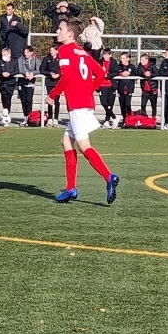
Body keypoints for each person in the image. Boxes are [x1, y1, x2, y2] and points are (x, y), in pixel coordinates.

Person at [45, 18, 118, 204]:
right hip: (84, 102)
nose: (57, 32)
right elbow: (101, 72)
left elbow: (67, 76)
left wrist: (53, 95)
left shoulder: (65, 50)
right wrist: (90, 89)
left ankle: (109, 177)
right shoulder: (82, 52)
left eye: (60, 29)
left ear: (70, 34)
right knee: (66, 141)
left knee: (84, 145)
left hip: (77, 104)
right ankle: (71, 188)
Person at [17, 45, 40, 125]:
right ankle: (25, 117)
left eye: (27, 52)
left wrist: (32, 73)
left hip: (31, 83)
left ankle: (30, 118)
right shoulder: (20, 59)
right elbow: (20, 69)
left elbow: (39, 70)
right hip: (22, 82)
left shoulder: (36, 60)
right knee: (23, 101)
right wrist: (25, 73)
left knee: (29, 100)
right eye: (25, 52)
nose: (26, 54)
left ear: (31, 52)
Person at [0, 48, 19, 125]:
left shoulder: (14, 62)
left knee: (8, 97)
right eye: (2, 55)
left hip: (10, 82)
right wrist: (2, 73)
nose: (3, 56)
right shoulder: (0, 62)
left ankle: (7, 112)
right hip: (2, 82)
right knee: (4, 96)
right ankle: (5, 111)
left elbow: (17, 70)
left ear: (9, 54)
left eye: (5, 55)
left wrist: (10, 74)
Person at [40, 44, 61, 127]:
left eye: (53, 50)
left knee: (57, 101)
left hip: (58, 82)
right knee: (50, 100)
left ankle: (56, 118)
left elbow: (63, 69)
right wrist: (50, 73)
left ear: (57, 51)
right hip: (49, 82)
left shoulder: (61, 59)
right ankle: (50, 118)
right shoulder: (46, 59)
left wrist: (58, 74)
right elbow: (42, 70)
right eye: (50, 50)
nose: (51, 52)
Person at [113, 52, 136, 126]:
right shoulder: (118, 67)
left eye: (123, 58)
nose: (122, 60)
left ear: (127, 59)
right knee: (122, 105)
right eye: (121, 58)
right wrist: (121, 74)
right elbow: (115, 73)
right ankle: (124, 119)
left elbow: (136, 74)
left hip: (129, 88)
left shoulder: (132, 67)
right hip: (121, 88)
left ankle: (129, 118)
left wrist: (130, 74)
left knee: (127, 104)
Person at [98, 49, 118, 128]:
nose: (105, 57)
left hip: (110, 85)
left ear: (110, 55)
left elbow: (116, 72)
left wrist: (107, 75)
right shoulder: (100, 62)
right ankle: (114, 117)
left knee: (110, 104)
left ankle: (107, 120)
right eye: (104, 55)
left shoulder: (113, 62)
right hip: (102, 85)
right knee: (103, 103)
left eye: (106, 55)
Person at [136, 53, 158, 118]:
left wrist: (150, 74)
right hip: (145, 90)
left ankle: (154, 118)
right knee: (143, 105)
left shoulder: (152, 65)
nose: (141, 61)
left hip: (153, 89)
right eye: (141, 60)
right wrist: (144, 73)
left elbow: (157, 73)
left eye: (143, 60)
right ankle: (145, 117)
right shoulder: (140, 66)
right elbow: (138, 72)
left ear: (147, 60)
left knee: (153, 105)